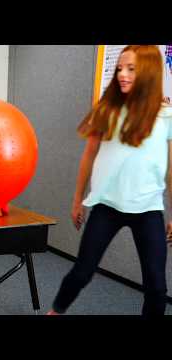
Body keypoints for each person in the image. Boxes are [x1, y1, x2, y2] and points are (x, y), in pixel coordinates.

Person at [47, 45, 172, 316]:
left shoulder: (165, 115)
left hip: (148, 208)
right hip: (107, 206)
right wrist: (77, 199)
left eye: (131, 69)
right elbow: (89, 156)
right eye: (119, 69)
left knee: (157, 287)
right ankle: (55, 312)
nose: (122, 75)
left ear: (149, 73)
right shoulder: (108, 110)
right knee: (82, 272)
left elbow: (170, 167)